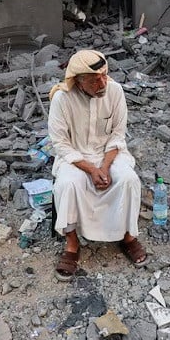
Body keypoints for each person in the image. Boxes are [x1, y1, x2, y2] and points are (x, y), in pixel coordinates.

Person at [48, 49, 148, 281]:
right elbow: (60, 144)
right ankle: (72, 244)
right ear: (79, 81)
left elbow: (118, 134)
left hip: (109, 154)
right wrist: (91, 169)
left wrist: (104, 166)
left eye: (104, 75)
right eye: (94, 79)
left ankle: (127, 237)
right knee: (68, 185)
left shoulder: (115, 91)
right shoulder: (62, 99)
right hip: (76, 157)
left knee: (128, 180)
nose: (102, 82)